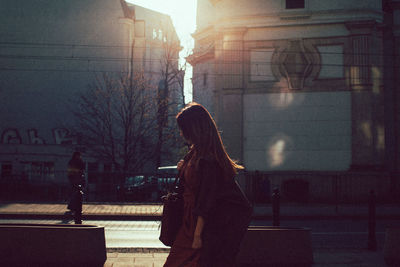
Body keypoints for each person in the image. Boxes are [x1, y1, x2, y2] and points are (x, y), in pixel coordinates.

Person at [164, 102, 253, 267]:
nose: (181, 133)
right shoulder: (196, 153)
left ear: (194, 129)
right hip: (189, 223)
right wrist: (183, 167)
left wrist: (198, 236)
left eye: (183, 128)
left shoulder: (209, 160)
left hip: (199, 227)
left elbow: (206, 201)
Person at [66, 151, 85, 223]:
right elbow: (82, 171)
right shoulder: (79, 162)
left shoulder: (72, 162)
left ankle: (72, 207)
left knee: (74, 193)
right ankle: (75, 208)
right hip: (77, 179)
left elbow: (70, 172)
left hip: (74, 179)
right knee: (77, 194)